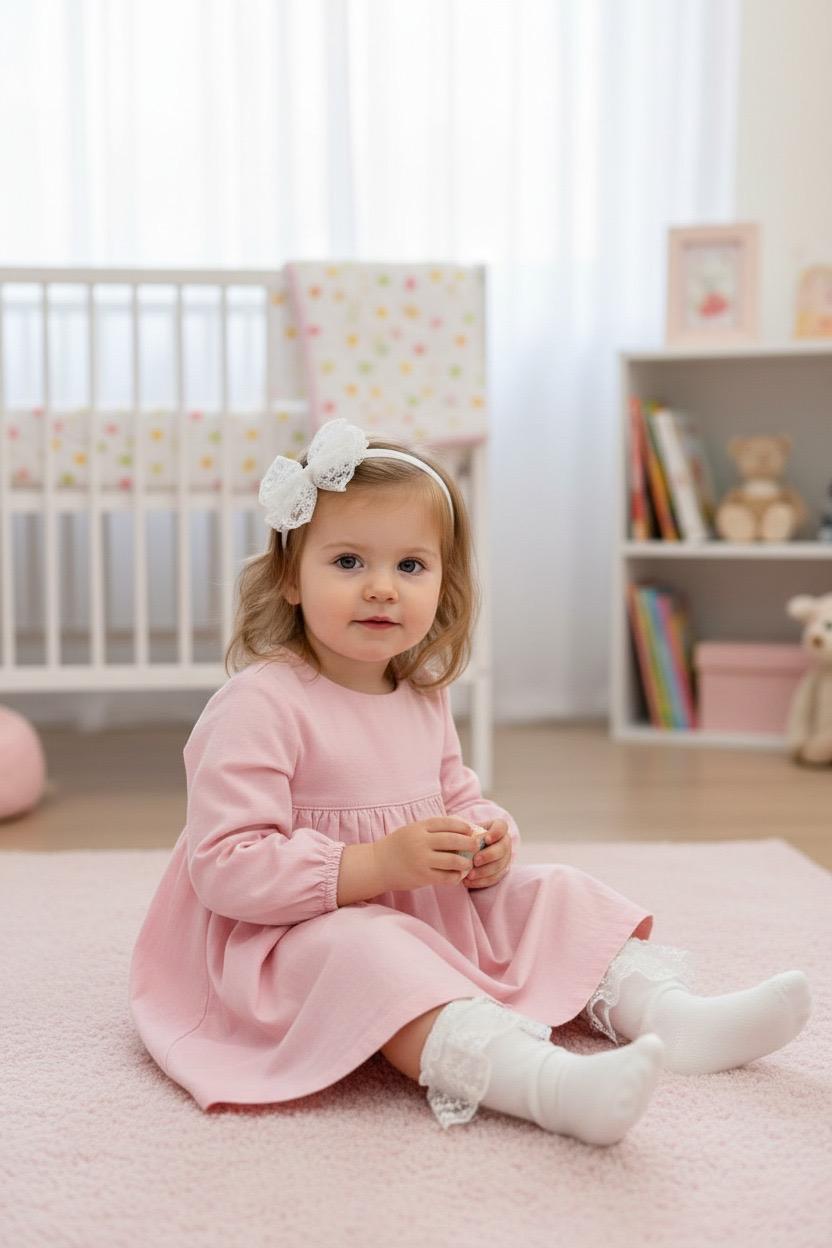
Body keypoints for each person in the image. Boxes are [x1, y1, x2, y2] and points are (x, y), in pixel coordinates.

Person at [129, 417, 812, 1144]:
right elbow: (226, 869)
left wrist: (488, 838)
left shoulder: (419, 691)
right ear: (290, 579)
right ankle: (545, 1084)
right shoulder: (261, 704)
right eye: (350, 562)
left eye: (411, 567)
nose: (382, 590)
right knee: (372, 953)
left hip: (420, 907)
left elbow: (456, 794)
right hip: (286, 939)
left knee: (556, 892)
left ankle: (675, 1020)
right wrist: (374, 864)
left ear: (444, 585)